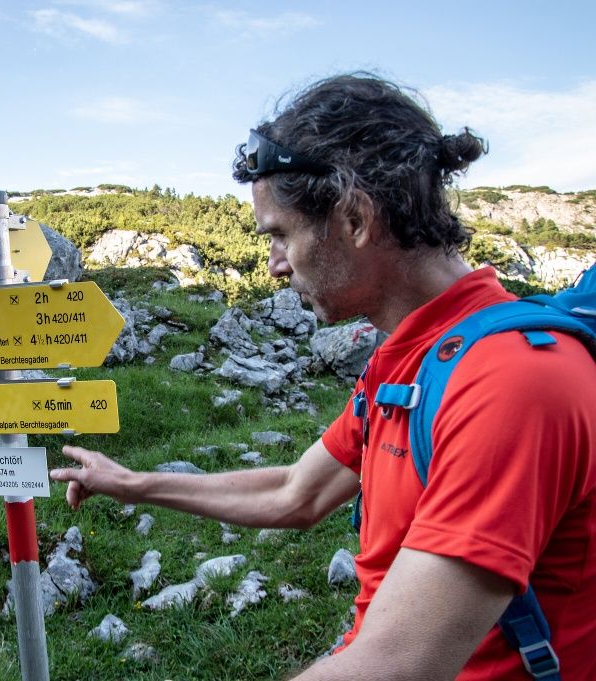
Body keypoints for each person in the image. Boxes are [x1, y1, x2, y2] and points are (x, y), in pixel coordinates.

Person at [49, 73, 596, 680]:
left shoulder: (509, 382)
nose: (274, 265)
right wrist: (132, 484)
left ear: (355, 218)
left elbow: (396, 664)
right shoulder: (413, 356)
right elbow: (297, 492)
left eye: (281, 235)